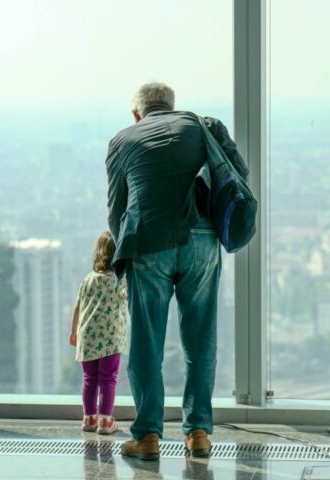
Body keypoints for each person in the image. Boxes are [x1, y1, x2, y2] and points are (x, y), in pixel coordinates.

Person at [106, 82, 248, 460]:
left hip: (148, 242)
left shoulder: (122, 140)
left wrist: (124, 262)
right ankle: (198, 431)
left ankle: (148, 436)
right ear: (172, 107)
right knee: (200, 337)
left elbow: (116, 209)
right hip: (201, 239)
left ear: (137, 114)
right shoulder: (197, 125)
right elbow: (239, 171)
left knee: (147, 341)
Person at [69, 230, 128, 435]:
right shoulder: (119, 280)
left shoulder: (88, 279)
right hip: (111, 339)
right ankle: (105, 421)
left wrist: (73, 332)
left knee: (89, 378)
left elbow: (78, 306)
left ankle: (89, 418)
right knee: (108, 379)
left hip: (87, 336)